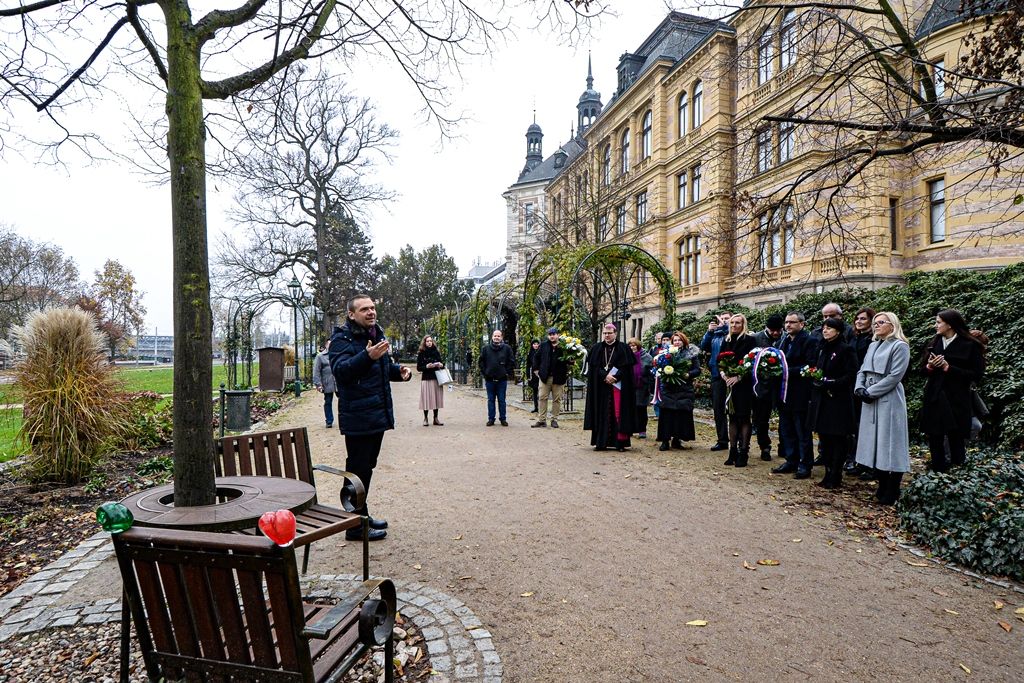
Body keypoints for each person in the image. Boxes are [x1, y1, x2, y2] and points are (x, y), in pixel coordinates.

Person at [329, 294, 412, 541]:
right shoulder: (342, 339)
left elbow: (381, 368)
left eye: (373, 308)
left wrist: (399, 372)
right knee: (357, 470)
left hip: (375, 414)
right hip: (358, 417)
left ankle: (360, 515)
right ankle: (353, 525)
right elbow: (341, 371)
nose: (371, 312)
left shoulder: (375, 334)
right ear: (351, 315)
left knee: (366, 468)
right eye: (365, 309)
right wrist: (368, 357)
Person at [854, 312, 911, 505]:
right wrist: (860, 388)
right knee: (873, 443)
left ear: (892, 325)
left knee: (890, 443)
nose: (876, 326)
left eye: (881, 323)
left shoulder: (900, 346)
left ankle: (892, 487)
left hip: (888, 399)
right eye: (875, 323)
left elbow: (895, 376)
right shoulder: (872, 345)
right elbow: (862, 369)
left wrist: (871, 392)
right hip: (869, 396)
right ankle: (882, 483)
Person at [920, 309, 986, 472]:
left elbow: (977, 375)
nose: (936, 325)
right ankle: (937, 474)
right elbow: (922, 370)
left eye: (938, 322)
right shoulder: (934, 342)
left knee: (956, 438)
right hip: (934, 396)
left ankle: (957, 476)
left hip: (957, 398)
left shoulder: (970, 345)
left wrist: (948, 368)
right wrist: (929, 366)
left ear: (949, 324)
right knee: (934, 437)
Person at [807, 318, 858, 489]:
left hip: (838, 400)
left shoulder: (846, 349)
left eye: (829, 328)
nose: (825, 330)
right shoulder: (821, 348)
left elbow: (851, 375)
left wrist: (830, 383)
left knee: (838, 439)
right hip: (821, 399)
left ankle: (836, 474)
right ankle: (828, 472)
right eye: (824, 327)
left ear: (838, 330)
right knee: (825, 438)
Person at [773, 311, 816, 478]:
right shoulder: (783, 341)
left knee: (802, 431)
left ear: (802, 324)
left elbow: (810, 365)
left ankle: (805, 464)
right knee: (787, 429)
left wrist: (784, 371)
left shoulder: (810, 341)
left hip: (800, 393)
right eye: (786, 322)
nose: (788, 325)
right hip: (784, 394)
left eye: (792, 322)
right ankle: (791, 460)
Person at [584, 323, 637, 452]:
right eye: (605, 333)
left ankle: (620, 443)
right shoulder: (596, 348)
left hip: (618, 388)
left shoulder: (623, 348)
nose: (607, 335)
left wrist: (616, 377)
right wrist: (605, 376)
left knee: (619, 413)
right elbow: (594, 368)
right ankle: (600, 442)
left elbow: (627, 368)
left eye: (609, 333)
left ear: (615, 333)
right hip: (601, 388)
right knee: (601, 412)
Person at [718, 314, 757, 466]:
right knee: (732, 417)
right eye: (732, 322)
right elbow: (719, 360)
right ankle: (732, 450)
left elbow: (752, 362)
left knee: (744, 417)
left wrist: (739, 377)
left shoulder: (750, 340)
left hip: (743, 384)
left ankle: (743, 452)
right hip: (728, 384)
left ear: (743, 324)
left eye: (738, 323)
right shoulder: (726, 340)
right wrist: (723, 374)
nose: (734, 325)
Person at [653, 332, 700, 451]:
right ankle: (664, 440)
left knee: (681, 414)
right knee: (667, 414)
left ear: (684, 341)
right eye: (675, 340)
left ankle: (677, 439)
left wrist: (688, 374)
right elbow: (658, 367)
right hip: (669, 387)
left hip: (684, 387)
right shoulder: (665, 354)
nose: (677, 342)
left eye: (679, 340)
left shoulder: (691, 354)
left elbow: (697, 370)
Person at [752, 313, 785, 461]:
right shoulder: (756, 338)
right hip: (762, 386)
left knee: (785, 418)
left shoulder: (786, 338)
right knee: (762, 418)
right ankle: (764, 446)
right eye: (772, 330)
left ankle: (784, 446)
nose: (776, 333)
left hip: (783, 384)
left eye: (778, 330)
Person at [700, 312, 733, 451]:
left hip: (731, 374)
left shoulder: (732, 333)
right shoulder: (715, 334)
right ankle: (722, 439)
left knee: (733, 409)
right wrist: (709, 332)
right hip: (716, 374)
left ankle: (738, 440)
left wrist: (726, 327)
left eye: (727, 319)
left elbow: (731, 340)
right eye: (722, 319)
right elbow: (704, 346)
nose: (723, 321)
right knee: (718, 409)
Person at [850, 307, 876, 476]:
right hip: (853, 384)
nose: (859, 322)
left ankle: (870, 464)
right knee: (856, 426)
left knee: (867, 427)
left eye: (863, 319)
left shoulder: (872, 341)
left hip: (867, 386)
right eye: (857, 319)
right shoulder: (854, 338)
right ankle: (859, 460)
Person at [532, 327, 569, 428]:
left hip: (559, 377)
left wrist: (572, 361)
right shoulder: (544, 345)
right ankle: (542, 420)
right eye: (550, 334)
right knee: (542, 397)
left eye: (554, 334)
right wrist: (536, 370)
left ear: (558, 335)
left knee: (557, 399)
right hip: (545, 377)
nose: (552, 336)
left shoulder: (564, 346)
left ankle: (554, 420)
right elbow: (536, 357)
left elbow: (569, 359)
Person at [479, 329, 515, 426]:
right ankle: (491, 419)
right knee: (491, 400)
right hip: (489, 380)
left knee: (502, 400)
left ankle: (503, 419)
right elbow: (481, 362)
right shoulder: (485, 349)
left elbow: (511, 361)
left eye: (498, 336)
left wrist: (506, 372)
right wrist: (485, 373)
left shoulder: (507, 348)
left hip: (502, 380)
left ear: (501, 337)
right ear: (492, 337)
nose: (496, 338)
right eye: (495, 336)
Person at [627, 338, 654, 439]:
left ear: (638, 346)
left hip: (642, 387)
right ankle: (630, 429)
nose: (632, 347)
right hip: (629, 387)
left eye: (634, 345)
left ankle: (642, 430)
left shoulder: (646, 357)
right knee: (629, 410)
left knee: (641, 409)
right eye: (630, 346)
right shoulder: (626, 356)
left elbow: (652, 371)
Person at [416, 335, 445, 427]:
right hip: (426, 378)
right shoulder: (421, 353)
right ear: (424, 342)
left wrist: (440, 364)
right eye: (427, 341)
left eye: (430, 341)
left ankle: (435, 418)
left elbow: (442, 364)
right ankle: (425, 418)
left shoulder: (436, 352)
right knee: (426, 399)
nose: (429, 342)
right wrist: (426, 367)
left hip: (437, 378)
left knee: (436, 399)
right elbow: (418, 368)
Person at [313, 341, 337, 428]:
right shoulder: (320, 356)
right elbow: (316, 371)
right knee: (328, 401)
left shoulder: (338, 354)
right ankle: (329, 420)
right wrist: (318, 384)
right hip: (327, 383)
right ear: (326, 345)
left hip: (338, 382)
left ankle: (345, 419)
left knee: (344, 400)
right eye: (329, 344)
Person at [526, 338, 541, 413]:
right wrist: (528, 376)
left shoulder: (541, 352)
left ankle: (542, 407)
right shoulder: (530, 353)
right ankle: (536, 407)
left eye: (537, 344)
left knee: (542, 391)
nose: (536, 345)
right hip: (533, 374)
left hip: (541, 374)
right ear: (532, 345)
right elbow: (528, 365)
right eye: (534, 344)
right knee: (535, 391)